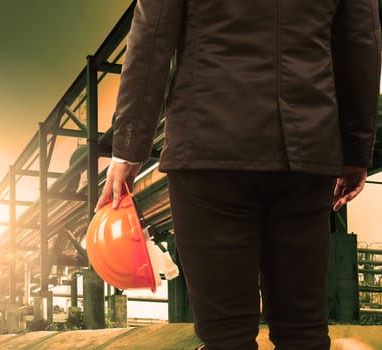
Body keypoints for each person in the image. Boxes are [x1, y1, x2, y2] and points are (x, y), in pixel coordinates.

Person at [95, 1, 381, 349]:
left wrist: (128, 148)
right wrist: (354, 153)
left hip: (208, 151)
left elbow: (152, 35)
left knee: (225, 334)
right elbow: (360, 44)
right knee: (302, 328)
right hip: (304, 153)